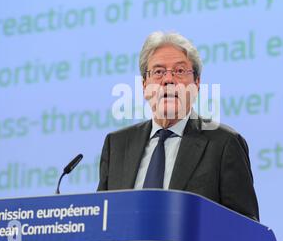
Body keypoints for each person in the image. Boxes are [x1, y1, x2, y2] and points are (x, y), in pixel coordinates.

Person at [97, 31, 259, 221]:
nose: (168, 80)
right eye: (158, 72)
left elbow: (244, 228)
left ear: (197, 83)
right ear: (144, 85)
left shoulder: (224, 144)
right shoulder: (116, 145)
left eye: (180, 71)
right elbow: (103, 222)